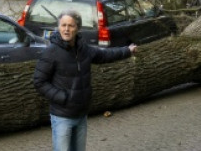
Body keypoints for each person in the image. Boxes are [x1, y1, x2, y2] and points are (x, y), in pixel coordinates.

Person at [33, 10, 137, 151]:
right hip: (62, 116)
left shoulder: (84, 49)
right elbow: (39, 82)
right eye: (63, 25)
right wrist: (62, 97)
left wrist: (127, 51)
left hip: (81, 114)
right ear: (58, 27)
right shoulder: (51, 52)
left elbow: (105, 55)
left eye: (71, 26)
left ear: (78, 28)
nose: (66, 29)